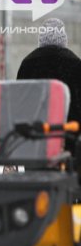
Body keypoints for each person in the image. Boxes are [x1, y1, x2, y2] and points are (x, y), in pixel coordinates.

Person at [16, 18, 81, 154]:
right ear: (64, 38)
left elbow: (20, 103)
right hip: (69, 138)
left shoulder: (28, 63)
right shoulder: (76, 64)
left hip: (35, 138)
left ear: (41, 38)